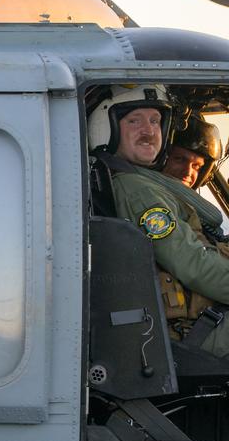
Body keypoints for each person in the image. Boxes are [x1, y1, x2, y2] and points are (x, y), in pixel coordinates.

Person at [96, 87, 229, 356]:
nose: (148, 131)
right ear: (107, 127)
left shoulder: (147, 185)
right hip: (191, 334)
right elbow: (191, 264)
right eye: (134, 121)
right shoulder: (139, 190)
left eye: (155, 121)